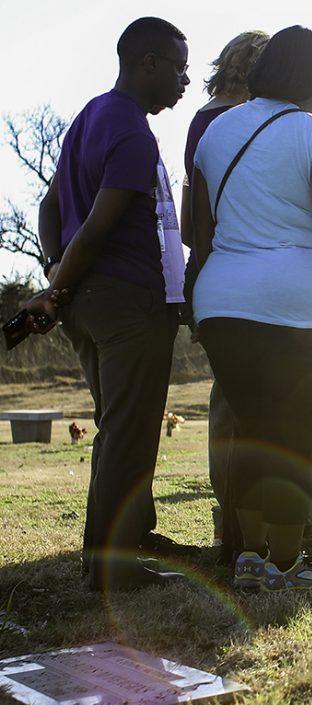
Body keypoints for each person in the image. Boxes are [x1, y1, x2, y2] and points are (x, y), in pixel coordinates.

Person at [191, 25, 312, 591]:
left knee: (251, 431)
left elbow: (202, 234)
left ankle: (247, 559)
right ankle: (287, 564)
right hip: (301, 307)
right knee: (293, 436)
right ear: (309, 79)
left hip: (223, 301)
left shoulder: (216, 131)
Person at [27, 17, 191, 590]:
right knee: (130, 431)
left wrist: (55, 271)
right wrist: (57, 283)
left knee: (115, 426)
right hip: (126, 301)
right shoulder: (132, 133)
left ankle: (105, 557)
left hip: (87, 308)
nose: (185, 80)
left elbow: (50, 206)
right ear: (148, 63)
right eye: (178, 67)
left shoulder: (89, 117)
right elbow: (97, 227)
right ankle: (112, 567)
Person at [179, 30, 269, 564]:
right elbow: (195, 220)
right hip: (229, 271)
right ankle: (235, 522)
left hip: (214, 272)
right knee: (235, 405)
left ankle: (238, 517)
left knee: (231, 403)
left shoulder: (205, 118)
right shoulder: (223, 121)